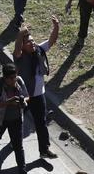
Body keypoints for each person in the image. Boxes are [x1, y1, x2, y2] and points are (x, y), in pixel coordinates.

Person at [14, 17, 61, 162]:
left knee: (41, 123)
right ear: (22, 45)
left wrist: (56, 27)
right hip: (24, 96)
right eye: (28, 42)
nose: (32, 43)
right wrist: (21, 34)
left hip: (39, 95)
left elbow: (51, 41)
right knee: (16, 122)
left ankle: (44, 150)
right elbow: (16, 49)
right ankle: (9, 143)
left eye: (33, 40)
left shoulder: (39, 50)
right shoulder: (20, 57)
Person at [0, 63, 30, 174]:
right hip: (0, 119)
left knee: (18, 147)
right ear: (5, 78)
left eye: (15, 76)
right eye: (11, 78)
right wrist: (8, 102)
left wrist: (22, 100)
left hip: (16, 120)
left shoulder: (19, 81)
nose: (14, 80)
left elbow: (27, 96)